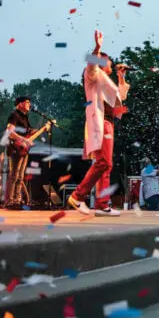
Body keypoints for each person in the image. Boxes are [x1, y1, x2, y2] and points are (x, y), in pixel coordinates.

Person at [68, 30, 130, 216]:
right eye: (108, 61)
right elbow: (92, 64)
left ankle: (102, 204)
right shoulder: (93, 75)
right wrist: (97, 47)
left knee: (107, 164)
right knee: (103, 162)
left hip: (109, 123)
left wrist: (121, 77)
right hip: (100, 122)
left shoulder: (106, 82)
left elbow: (120, 100)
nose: (111, 63)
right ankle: (78, 196)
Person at [4, 96, 50, 209]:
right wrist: (23, 140)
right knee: (14, 176)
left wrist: (42, 129)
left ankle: (17, 200)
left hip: (23, 149)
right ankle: (9, 201)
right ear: (20, 104)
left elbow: (29, 131)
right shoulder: (14, 115)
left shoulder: (25, 117)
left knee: (20, 176)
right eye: (27, 102)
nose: (29, 104)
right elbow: (9, 132)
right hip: (15, 148)